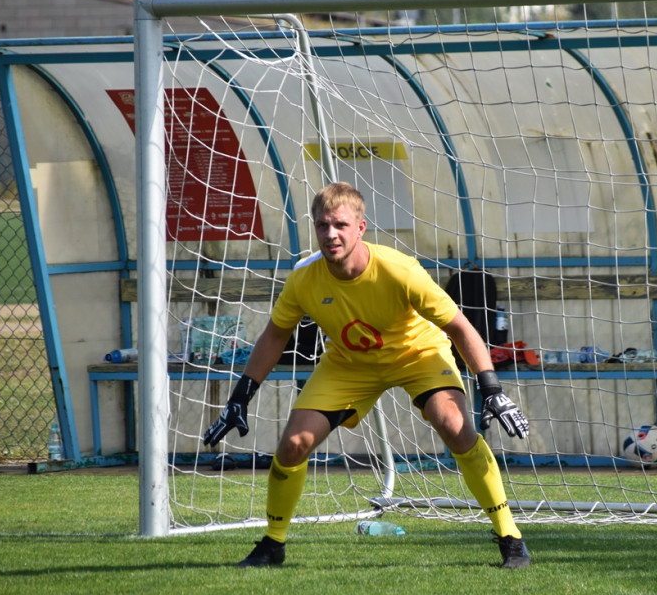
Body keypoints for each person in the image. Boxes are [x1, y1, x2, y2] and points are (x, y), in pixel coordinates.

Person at [203, 182, 531, 568]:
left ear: (361, 228)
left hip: (417, 354)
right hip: (349, 364)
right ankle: (272, 545)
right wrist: (241, 395)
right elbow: (275, 334)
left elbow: (460, 326)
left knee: (456, 426)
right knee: (293, 444)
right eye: (322, 225)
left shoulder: (399, 269)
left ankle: (511, 538)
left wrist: (491, 388)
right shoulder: (303, 278)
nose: (330, 234)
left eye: (340, 224)